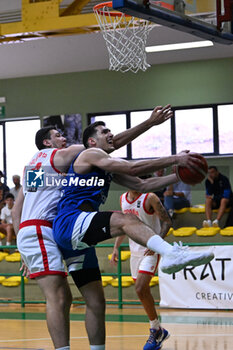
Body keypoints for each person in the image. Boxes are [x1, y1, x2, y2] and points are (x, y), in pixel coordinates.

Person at [12, 104, 174, 350]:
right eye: (58, 136)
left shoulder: (34, 169)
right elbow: (107, 145)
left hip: (48, 230)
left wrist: (22, 245)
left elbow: (17, 209)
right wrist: (149, 123)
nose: (64, 138)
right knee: (59, 297)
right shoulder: (62, 155)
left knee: (94, 299)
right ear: (46, 143)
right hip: (45, 229)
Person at [52, 121, 214, 350]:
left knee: (96, 302)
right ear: (91, 141)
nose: (111, 134)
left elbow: (143, 183)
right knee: (126, 218)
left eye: (110, 131)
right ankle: (171, 254)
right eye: (104, 132)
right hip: (70, 222)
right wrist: (175, 159)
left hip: (76, 238)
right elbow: (132, 168)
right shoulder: (90, 154)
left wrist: (177, 176)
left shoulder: (105, 167)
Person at [111, 190, 172, 350]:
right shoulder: (122, 198)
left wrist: (156, 242)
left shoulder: (150, 197)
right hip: (134, 252)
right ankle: (159, 330)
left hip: (150, 250)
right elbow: (124, 226)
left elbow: (167, 221)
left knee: (140, 288)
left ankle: (154, 330)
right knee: (142, 292)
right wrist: (116, 247)